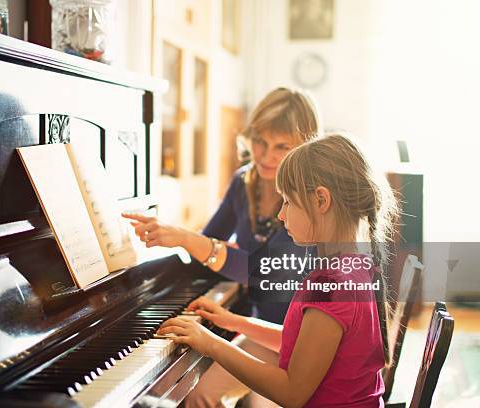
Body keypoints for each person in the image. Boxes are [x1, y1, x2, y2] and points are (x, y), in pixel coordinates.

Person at [157, 134, 398, 407]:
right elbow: (302, 345)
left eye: (288, 202)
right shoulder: (354, 266)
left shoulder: (331, 284)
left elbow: (291, 393)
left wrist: (211, 343)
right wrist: (234, 321)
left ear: (321, 200)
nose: (281, 215)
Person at [123, 88, 321, 407]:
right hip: (262, 328)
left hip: (296, 336)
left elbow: (261, 273)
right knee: (199, 390)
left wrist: (187, 238)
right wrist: (149, 280)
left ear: (305, 146)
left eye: (281, 147)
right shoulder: (244, 181)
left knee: (217, 395)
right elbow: (209, 243)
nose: (266, 156)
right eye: (260, 141)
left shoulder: (306, 202)